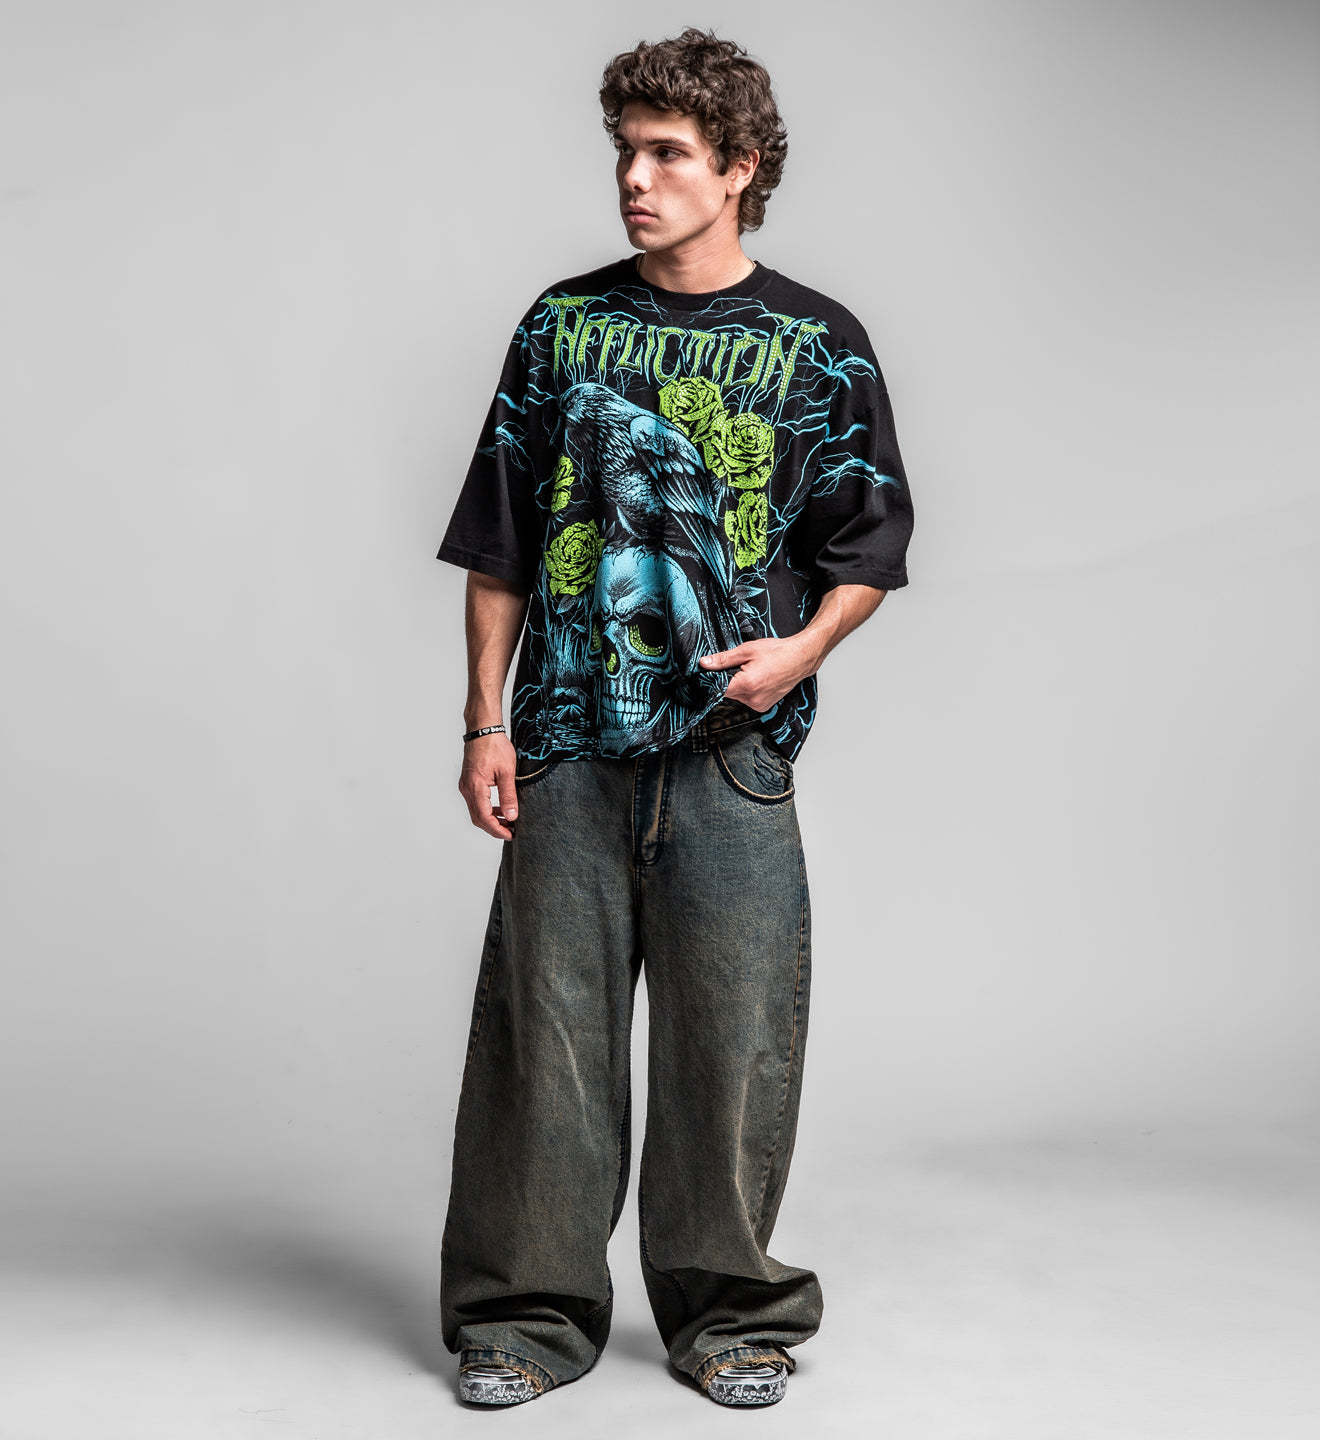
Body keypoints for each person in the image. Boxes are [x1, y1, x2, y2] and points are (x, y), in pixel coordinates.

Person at [435, 26, 915, 1409]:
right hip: (568, 746)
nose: (634, 181)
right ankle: (523, 1318)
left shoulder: (819, 342)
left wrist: (800, 655)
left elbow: (870, 545)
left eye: (667, 155)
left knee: (733, 1045)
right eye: (625, 153)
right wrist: (484, 723)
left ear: (740, 168)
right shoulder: (560, 326)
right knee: (548, 1046)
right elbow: (500, 545)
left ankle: (729, 1317)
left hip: (732, 754)